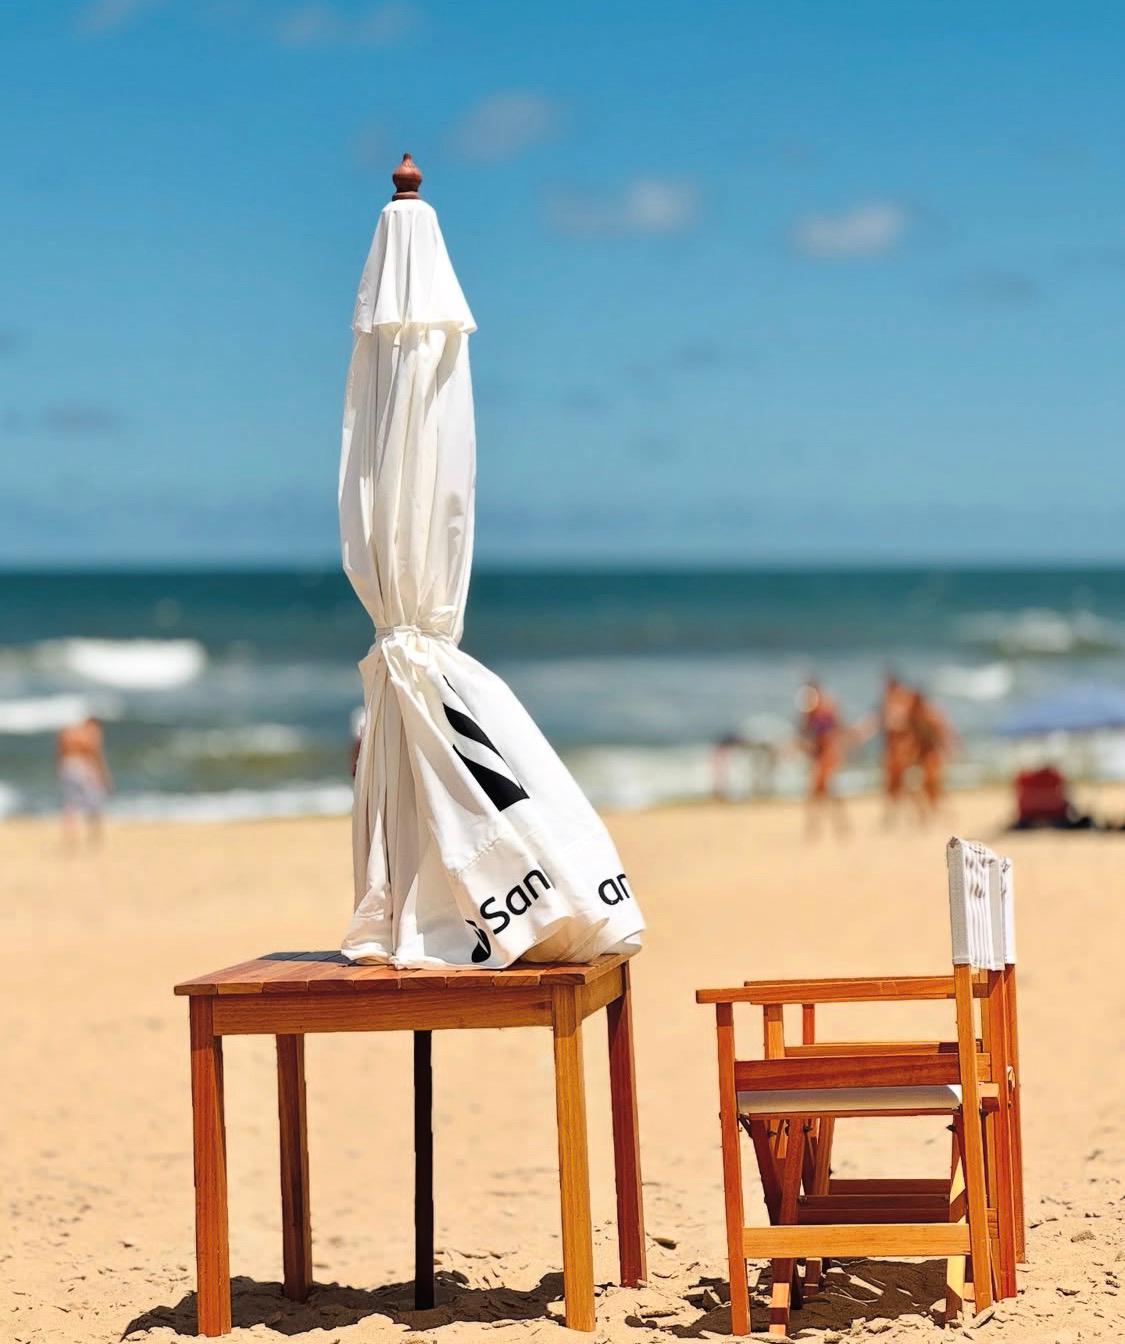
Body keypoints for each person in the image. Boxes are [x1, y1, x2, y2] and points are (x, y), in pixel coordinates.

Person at [795, 680, 849, 838]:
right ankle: (838, 826)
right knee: (826, 792)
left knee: (818, 791)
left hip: (826, 756)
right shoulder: (812, 712)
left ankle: (816, 827)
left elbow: (828, 735)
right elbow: (807, 735)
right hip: (822, 756)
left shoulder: (824, 711)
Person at [56, 716, 111, 846]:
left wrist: (59, 770)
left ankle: (70, 835)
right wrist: (103, 776)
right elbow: (96, 754)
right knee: (94, 801)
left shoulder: (68, 732)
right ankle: (94, 835)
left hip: (67, 766)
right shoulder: (92, 732)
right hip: (84, 766)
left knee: (70, 803)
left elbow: (59, 753)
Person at [907, 688, 957, 820]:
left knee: (930, 785)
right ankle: (929, 813)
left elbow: (942, 734)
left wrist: (949, 749)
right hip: (919, 755)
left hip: (930, 754)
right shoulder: (912, 716)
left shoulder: (930, 716)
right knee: (918, 785)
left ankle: (937, 812)